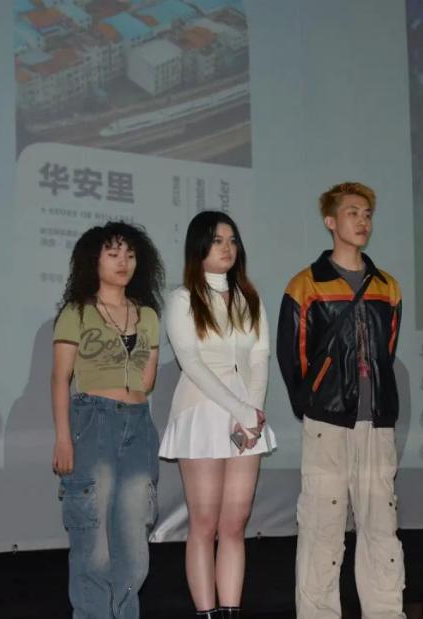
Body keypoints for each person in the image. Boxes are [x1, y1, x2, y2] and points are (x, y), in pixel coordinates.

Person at [276, 182, 405, 618]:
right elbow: (293, 356)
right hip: (327, 422)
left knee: (381, 526)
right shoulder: (306, 284)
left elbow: (387, 349)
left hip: (377, 423)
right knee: (322, 527)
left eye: (367, 214)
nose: (363, 221)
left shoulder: (387, 286)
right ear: (330, 221)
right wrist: (314, 401)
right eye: (353, 213)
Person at [159, 211, 273, 618]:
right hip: (202, 412)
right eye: (218, 240)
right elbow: (191, 363)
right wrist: (241, 410)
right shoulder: (182, 299)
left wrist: (251, 412)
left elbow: (260, 357)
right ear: (199, 247)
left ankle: (230, 611)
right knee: (204, 523)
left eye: (232, 240)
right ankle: (206, 613)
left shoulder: (249, 298)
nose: (228, 248)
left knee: (235, 524)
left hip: (246, 418)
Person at [52, 221, 164, 618]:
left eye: (130, 255)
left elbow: (147, 381)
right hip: (92, 422)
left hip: (138, 424)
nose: (123, 262)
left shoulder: (148, 315)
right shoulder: (77, 312)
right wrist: (63, 438)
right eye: (113, 254)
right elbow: (60, 379)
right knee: (93, 544)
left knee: (134, 545)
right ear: (93, 260)